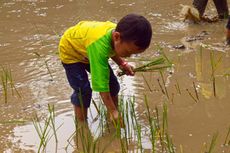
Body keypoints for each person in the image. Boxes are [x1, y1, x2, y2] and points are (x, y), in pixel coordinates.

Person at [58, 14, 152, 122]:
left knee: (113, 84)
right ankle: (81, 124)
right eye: (128, 52)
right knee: (83, 90)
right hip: (71, 52)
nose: (129, 56)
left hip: (87, 48)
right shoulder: (100, 48)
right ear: (116, 37)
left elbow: (113, 49)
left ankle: (113, 117)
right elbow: (102, 87)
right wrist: (113, 111)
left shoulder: (119, 35)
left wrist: (122, 63)